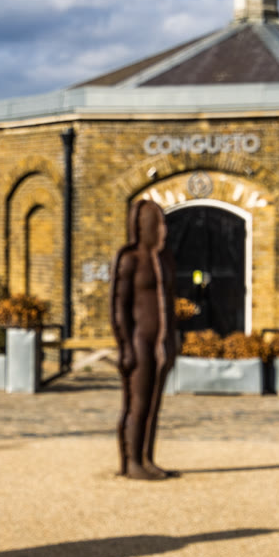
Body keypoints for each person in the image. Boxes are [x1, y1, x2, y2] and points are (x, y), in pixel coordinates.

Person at [110, 198, 177, 481]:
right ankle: (132, 461)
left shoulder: (163, 259)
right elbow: (119, 307)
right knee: (137, 404)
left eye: (163, 224)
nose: (162, 231)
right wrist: (125, 346)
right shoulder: (130, 259)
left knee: (153, 405)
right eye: (155, 225)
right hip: (138, 343)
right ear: (140, 227)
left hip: (160, 343)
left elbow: (168, 304)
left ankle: (147, 457)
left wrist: (172, 340)